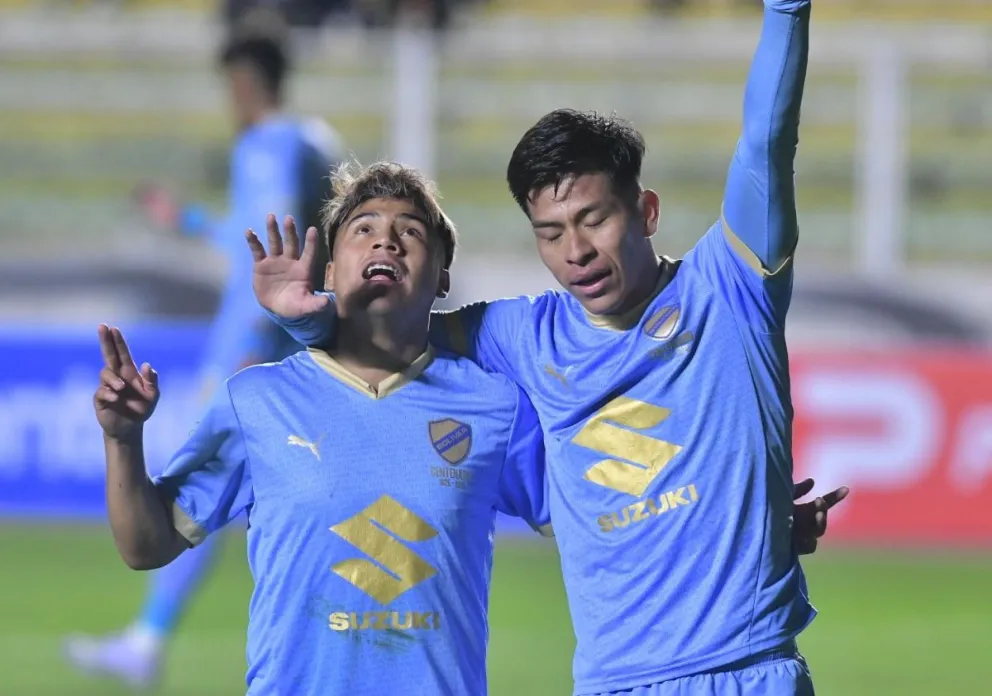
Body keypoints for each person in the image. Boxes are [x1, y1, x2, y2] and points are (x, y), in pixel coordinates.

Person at [255, 1, 849, 694]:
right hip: (612, 684)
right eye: (551, 232)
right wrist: (309, 320)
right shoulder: (522, 337)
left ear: (646, 211)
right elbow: (385, 339)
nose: (576, 251)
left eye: (593, 219)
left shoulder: (733, 287)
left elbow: (767, 139)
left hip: (746, 672)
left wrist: (785, 9)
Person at [91, 161, 551, 694]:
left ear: (443, 276)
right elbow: (146, 546)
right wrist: (122, 438)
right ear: (329, 274)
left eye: (410, 232)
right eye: (364, 228)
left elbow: (590, 525)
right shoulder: (258, 399)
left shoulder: (494, 405)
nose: (386, 240)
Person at [64, 10, 342, 688]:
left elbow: (268, 244)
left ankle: (149, 640)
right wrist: (185, 218)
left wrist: (250, 344)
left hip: (251, 347)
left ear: (244, 82)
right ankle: (155, 637)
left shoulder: (268, 145)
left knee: (200, 488)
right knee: (266, 492)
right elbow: (255, 235)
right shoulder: (313, 142)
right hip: (295, 344)